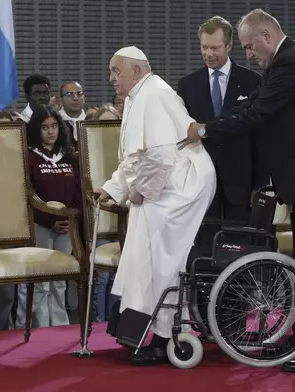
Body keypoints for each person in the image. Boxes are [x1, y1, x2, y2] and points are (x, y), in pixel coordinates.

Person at [183, 9, 295, 372]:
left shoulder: (290, 62)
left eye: (248, 46)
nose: (248, 55)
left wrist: (207, 130)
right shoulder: (285, 62)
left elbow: (258, 113)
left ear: (266, 36)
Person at [96, 46, 216, 366]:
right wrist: (114, 188)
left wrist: (139, 191)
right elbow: (135, 157)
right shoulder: (140, 95)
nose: (112, 78)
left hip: (181, 187)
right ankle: (149, 330)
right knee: (147, 255)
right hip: (168, 184)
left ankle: (167, 337)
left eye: (116, 71)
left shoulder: (154, 94)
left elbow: (161, 155)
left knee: (162, 259)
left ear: (136, 70)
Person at [177, 15, 267, 222]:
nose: (208, 54)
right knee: (206, 247)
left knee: (240, 246)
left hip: (241, 182)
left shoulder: (253, 81)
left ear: (229, 45)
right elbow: (184, 135)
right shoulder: (187, 85)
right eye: (204, 47)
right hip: (201, 183)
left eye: (214, 48)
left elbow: (260, 137)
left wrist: (259, 185)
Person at [26, 105, 81, 327]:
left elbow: (78, 192)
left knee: (59, 280)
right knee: (42, 282)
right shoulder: (29, 158)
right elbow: (29, 195)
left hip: (67, 227)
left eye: (54, 126)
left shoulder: (69, 158)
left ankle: (59, 327)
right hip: (41, 225)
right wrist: (50, 220)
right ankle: (40, 327)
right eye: (45, 127)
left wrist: (70, 218)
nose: (51, 131)